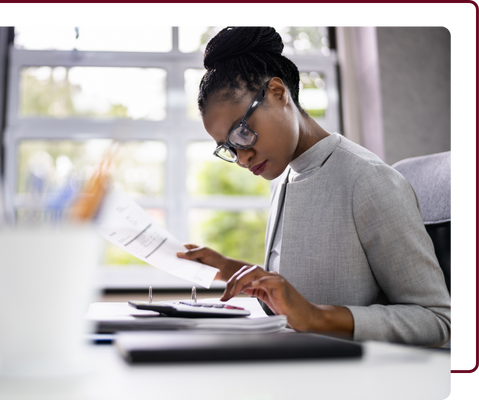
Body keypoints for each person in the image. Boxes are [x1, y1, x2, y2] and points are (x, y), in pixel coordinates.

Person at [176, 24, 450, 348]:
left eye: (242, 133)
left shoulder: (368, 180)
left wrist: (317, 317)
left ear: (278, 94)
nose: (241, 157)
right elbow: (296, 300)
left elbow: (435, 321)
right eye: (229, 147)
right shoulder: (285, 178)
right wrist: (229, 268)